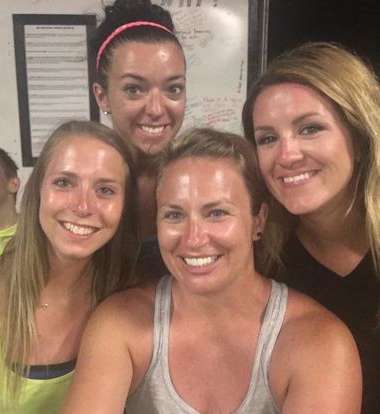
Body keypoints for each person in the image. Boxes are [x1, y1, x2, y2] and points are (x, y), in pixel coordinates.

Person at [61, 128, 361, 414]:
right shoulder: (120, 323)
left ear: (258, 221)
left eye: (216, 213)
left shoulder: (319, 343)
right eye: (174, 215)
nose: (193, 239)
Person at [242, 42, 380, 413]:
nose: (287, 155)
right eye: (268, 138)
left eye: (310, 129)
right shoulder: (259, 262)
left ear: (361, 138)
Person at [0, 121, 139, 413]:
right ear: (38, 190)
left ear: (125, 206)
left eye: (105, 190)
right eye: (64, 183)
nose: (83, 206)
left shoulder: (130, 294)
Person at [92, 0, 186, 278]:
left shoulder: (200, 184)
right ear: (103, 96)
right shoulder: (79, 190)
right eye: (134, 89)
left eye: (173, 88)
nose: (156, 109)